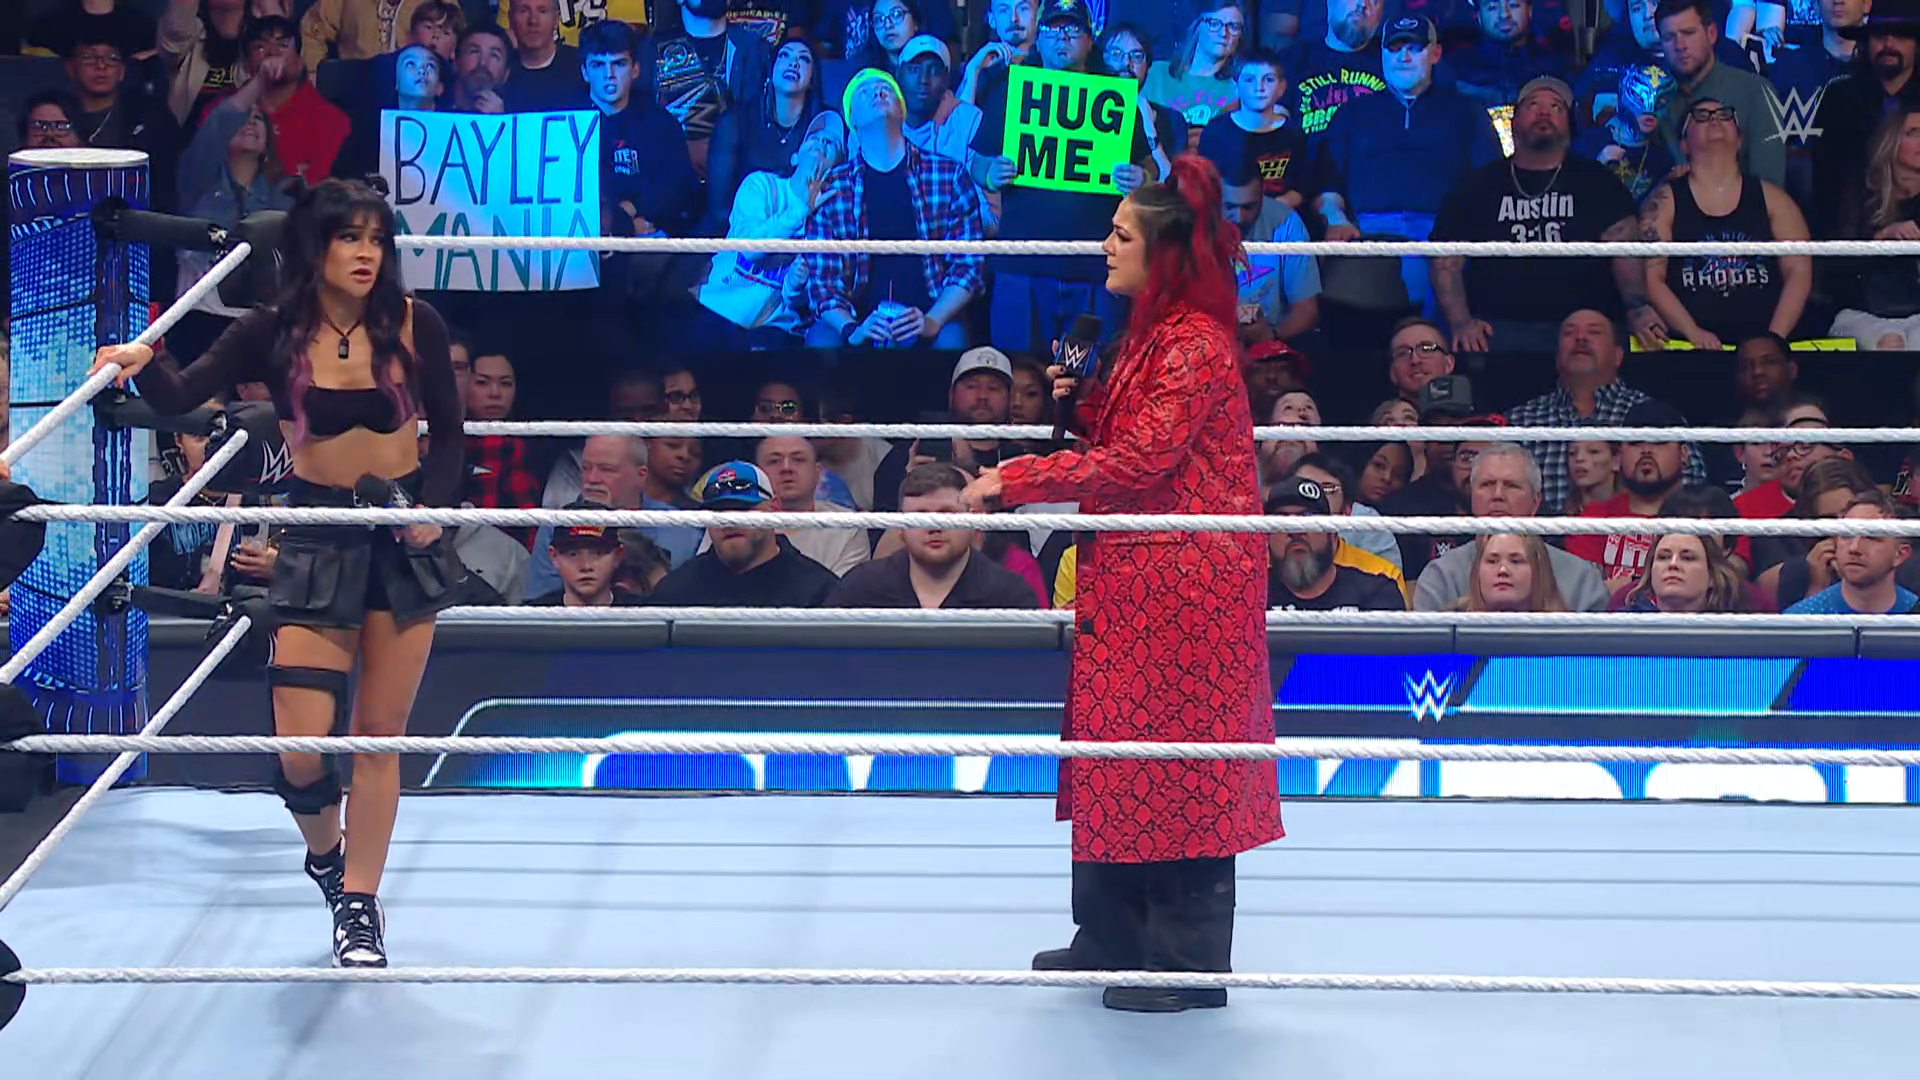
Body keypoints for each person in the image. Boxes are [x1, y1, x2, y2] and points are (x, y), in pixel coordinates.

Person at [89, 179, 466, 969]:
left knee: (380, 736)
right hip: (320, 534)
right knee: (299, 745)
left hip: (401, 536)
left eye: (377, 239)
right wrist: (143, 361)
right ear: (314, 246)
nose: (366, 254)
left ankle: (359, 905)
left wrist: (434, 509)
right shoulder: (273, 329)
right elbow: (182, 394)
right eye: (349, 237)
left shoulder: (413, 322)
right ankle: (328, 856)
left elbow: (452, 432)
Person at [961, 156, 1281, 1013]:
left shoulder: (1195, 343)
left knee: (1179, 767)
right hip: (1136, 577)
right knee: (1113, 756)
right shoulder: (1151, 334)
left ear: (1162, 252)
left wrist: (1018, 478)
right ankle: (1109, 934)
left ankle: (1181, 965)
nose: (1105, 244)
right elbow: (1135, 438)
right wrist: (1083, 406)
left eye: (1121, 233)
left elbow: (1144, 461)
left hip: (1187, 585)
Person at [1640, 98, 1811, 349]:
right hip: (1692, 350)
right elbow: (1652, 277)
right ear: (1684, 144)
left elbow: (1799, 272)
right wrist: (1692, 332)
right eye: (1701, 115)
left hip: (1764, 347)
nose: (1715, 119)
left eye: (1724, 115)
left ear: (1740, 140)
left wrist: (1773, 339)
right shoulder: (1664, 201)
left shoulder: (1774, 199)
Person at [827, 464, 1040, 607]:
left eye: (947, 514)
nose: (934, 527)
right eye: (921, 516)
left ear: (973, 521)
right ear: (900, 527)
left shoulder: (1010, 595)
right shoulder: (860, 589)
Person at [645, 462, 840, 606]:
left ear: (774, 509)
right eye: (719, 512)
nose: (730, 520)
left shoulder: (817, 589)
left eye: (742, 508)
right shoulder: (676, 590)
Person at [1451, 533, 1568, 612]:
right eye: (1492, 561)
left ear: (1539, 569)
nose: (1503, 570)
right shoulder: (1449, 622)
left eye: (1516, 561)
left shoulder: (1567, 630)